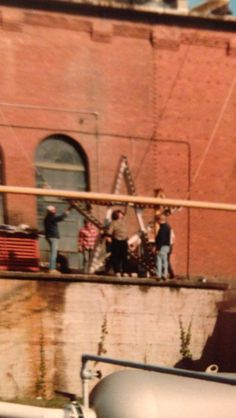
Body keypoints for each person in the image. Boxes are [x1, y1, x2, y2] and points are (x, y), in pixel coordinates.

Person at [44, 204, 72, 274]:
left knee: (55, 253)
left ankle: (53, 267)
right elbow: (61, 218)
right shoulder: (51, 217)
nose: (55, 211)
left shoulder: (46, 218)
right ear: (51, 211)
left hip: (49, 237)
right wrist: (68, 211)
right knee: (54, 254)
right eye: (54, 210)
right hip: (53, 237)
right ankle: (52, 269)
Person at [107, 209, 129, 277]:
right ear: (117, 214)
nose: (122, 215)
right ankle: (117, 271)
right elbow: (110, 232)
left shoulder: (124, 222)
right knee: (116, 257)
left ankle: (125, 271)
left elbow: (126, 231)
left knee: (124, 257)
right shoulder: (113, 222)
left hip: (124, 241)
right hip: (117, 240)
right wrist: (109, 237)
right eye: (120, 213)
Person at [155, 214, 171, 280]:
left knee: (159, 260)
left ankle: (159, 275)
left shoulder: (162, 228)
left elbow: (161, 239)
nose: (157, 222)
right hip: (167, 246)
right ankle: (165, 274)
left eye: (157, 220)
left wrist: (158, 248)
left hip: (162, 246)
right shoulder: (168, 227)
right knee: (165, 261)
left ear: (160, 220)